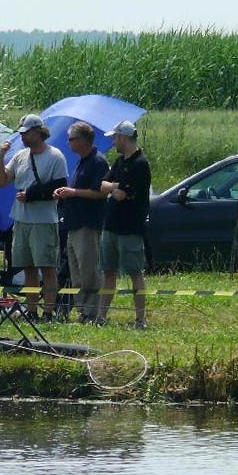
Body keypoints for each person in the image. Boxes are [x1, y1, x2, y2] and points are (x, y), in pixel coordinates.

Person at [0, 113, 68, 320]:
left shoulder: (55, 156)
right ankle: (32, 309)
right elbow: (2, 181)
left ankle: (49, 311)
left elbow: (60, 185)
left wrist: (32, 195)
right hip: (21, 219)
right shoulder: (19, 156)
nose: (24, 138)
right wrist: (1, 156)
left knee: (47, 267)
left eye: (27, 133)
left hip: (43, 220)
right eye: (22, 134)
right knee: (28, 267)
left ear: (38, 132)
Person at [95, 120, 151, 329]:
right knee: (108, 271)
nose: (113, 141)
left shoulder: (140, 164)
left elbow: (120, 195)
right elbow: (103, 185)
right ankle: (101, 316)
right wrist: (114, 187)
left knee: (135, 273)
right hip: (110, 225)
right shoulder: (119, 162)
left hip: (130, 228)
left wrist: (114, 188)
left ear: (124, 138)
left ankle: (140, 319)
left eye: (115, 137)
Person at [53, 121, 109, 322]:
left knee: (89, 270)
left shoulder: (98, 162)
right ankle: (82, 310)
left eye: (71, 139)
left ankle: (92, 311)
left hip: (88, 224)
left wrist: (73, 192)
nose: (68, 143)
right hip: (72, 224)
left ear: (83, 140)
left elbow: (99, 193)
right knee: (76, 272)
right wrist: (65, 194)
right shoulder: (81, 161)